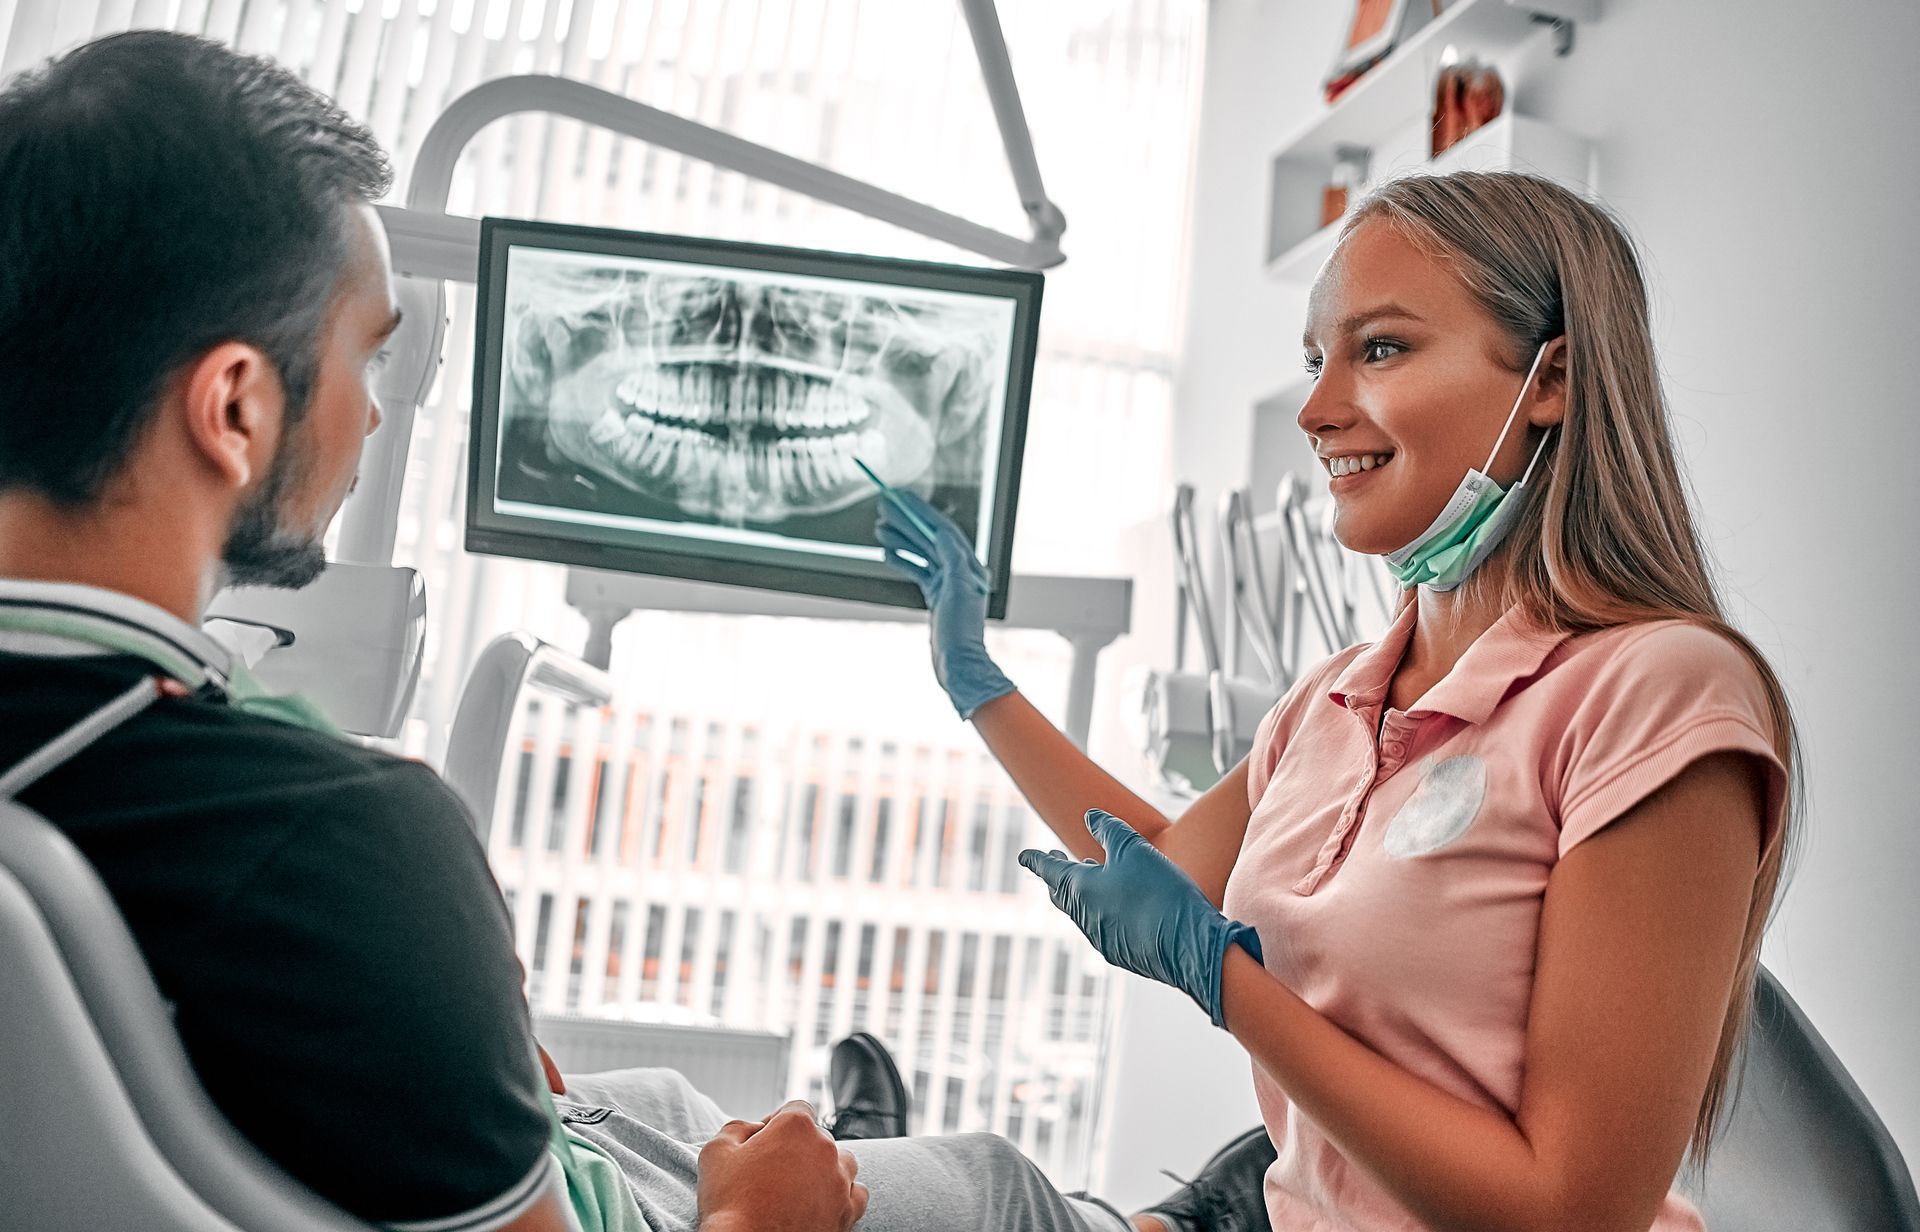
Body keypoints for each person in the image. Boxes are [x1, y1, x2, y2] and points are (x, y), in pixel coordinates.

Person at [0, 29, 1158, 1232]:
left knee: (664, 1100)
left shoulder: (150, 795)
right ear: (236, 406)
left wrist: (439, 1000)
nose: (373, 417)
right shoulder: (341, 836)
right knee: (995, 1181)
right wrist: (764, 1220)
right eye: (369, 357)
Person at [878, 170, 1800, 1232]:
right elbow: (1158, 865)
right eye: (1318, 360)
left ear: (1550, 379)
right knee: (982, 1182)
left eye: (1383, 348)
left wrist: (1229, 985)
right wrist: (976, 680)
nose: (1316, 413)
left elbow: (1571, 1212)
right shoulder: (1333, 699)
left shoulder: (1655, 691)